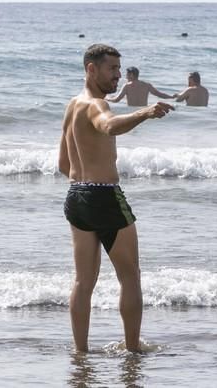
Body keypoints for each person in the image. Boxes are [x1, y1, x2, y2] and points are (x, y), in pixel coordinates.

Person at [59, 44, 174, 352]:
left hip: (76, 196)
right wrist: (145, 112)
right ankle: (133, 348)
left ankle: (80, 352)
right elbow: (108, 126)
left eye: (119, 70)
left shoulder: (72, 106)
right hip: (105, 196)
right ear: (91, 69)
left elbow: (62, 165)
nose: (117, 76)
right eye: (111, 69)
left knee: (83, 282)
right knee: (130, 277)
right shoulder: (97, 105)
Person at [106, 66, 175, 106]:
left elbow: (116, 100)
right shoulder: (147, 85)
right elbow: (159, 94)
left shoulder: (127, 86)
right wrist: (171, 97)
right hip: (143, 111)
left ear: (132, 75)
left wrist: (107, 98)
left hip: (131, 111)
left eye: (127, 74)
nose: (126, 77)